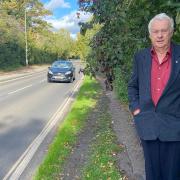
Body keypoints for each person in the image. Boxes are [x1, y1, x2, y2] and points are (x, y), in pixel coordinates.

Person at [128, 13, 180, 180]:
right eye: (155, 31)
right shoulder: (140, 57)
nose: (159, 35)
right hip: (147, 125)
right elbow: (133, 86)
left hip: (174, 127)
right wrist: (136, 109)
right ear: (150, 34)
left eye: (164, 31)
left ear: (171, 32)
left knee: (173, 174)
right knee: (152, 174)